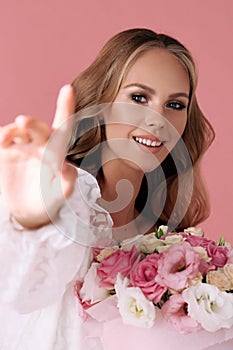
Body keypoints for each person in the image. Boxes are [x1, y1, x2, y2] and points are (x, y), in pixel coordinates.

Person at [0, 28, 232, 349]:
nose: (157, 119)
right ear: (103, 102)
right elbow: (22, 291)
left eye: (175, 105)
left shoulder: (166, 238)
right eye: (139, 98)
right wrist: (33, 220)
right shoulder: (75, 197)